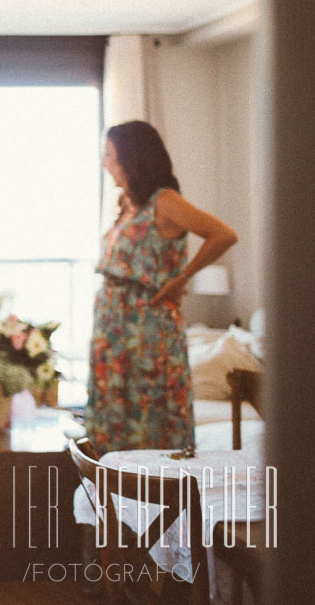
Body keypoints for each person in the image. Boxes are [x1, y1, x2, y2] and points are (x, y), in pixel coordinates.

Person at [86, 120, 238, 455]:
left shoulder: (164, 201)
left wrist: (183, 277)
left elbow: (224, 234)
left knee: (148, 412)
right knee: (115, 410)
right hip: (114, 326)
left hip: (147, 328)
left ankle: (155, 493)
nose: (104, 163)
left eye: (109, 155)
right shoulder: (126, 203)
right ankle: (115, 490)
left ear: (132, 158)